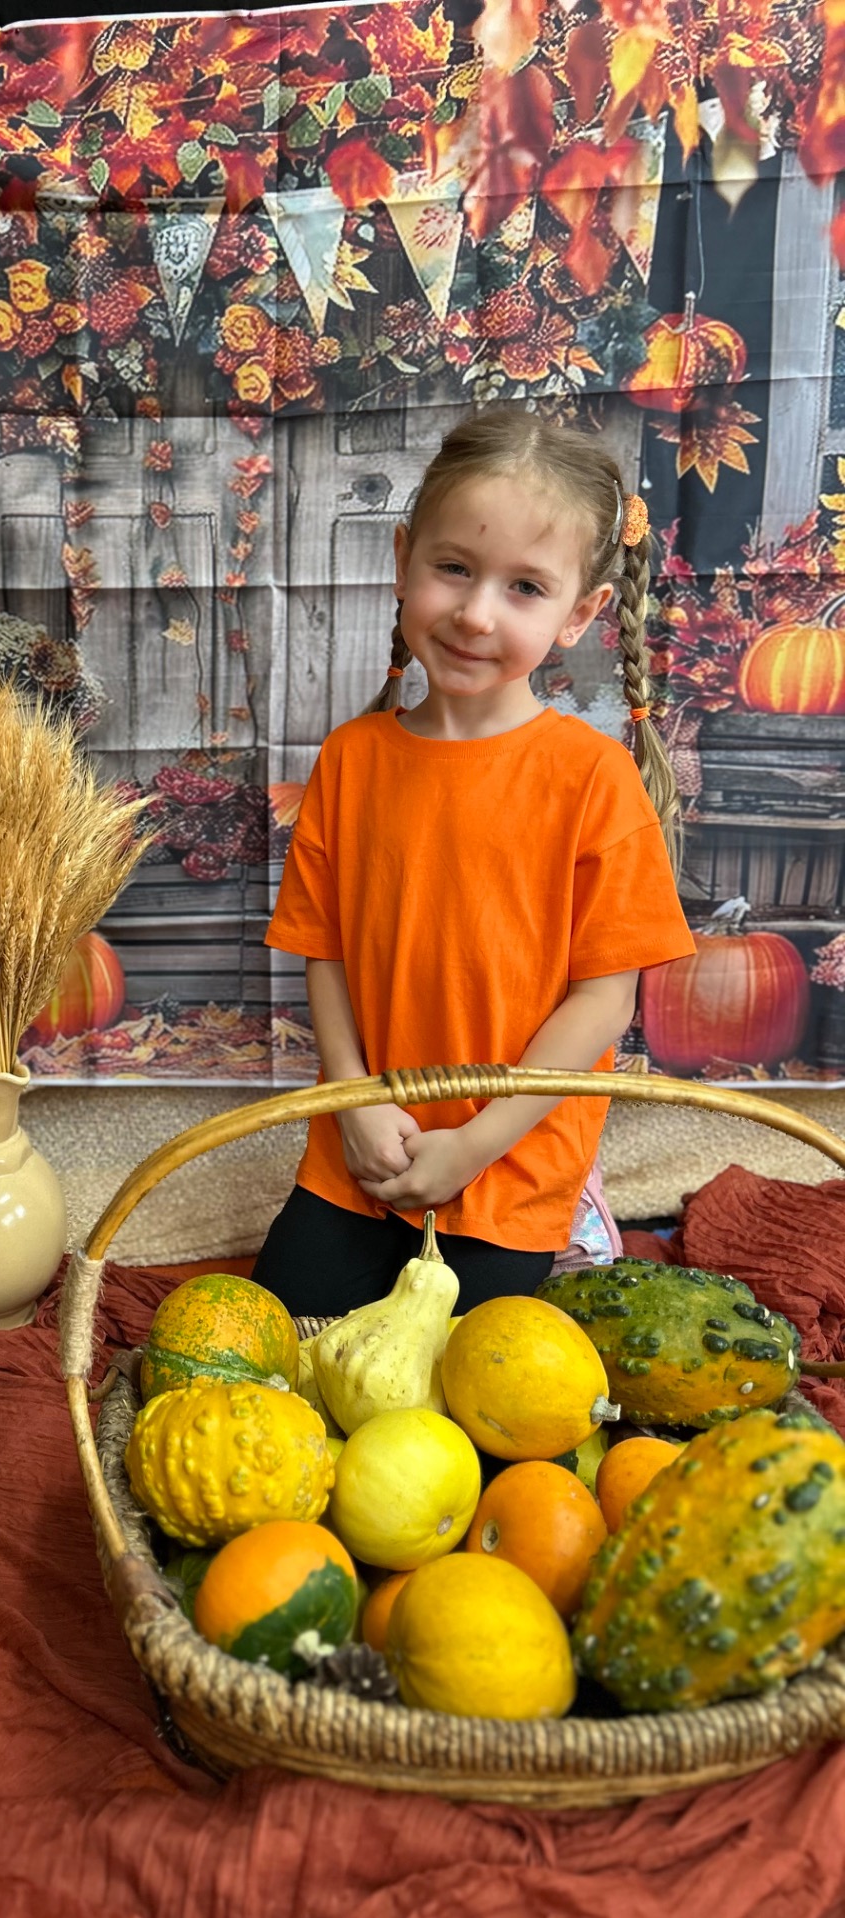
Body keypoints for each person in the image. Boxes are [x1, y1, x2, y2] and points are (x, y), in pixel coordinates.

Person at [254, 409, 696, 1319]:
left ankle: (578, 1220)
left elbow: (603, 1002)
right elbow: (324, 955)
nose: (476, 613)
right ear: (404, 560)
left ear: (581, 614)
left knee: (472, 1380)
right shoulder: (352, 760)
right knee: (281, 1347)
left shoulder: (592, 778)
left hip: (512, 1159)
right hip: (361, 1149)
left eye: (525, 587)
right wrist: (355, 1105)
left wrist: (475, 1145)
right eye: (453, 568)